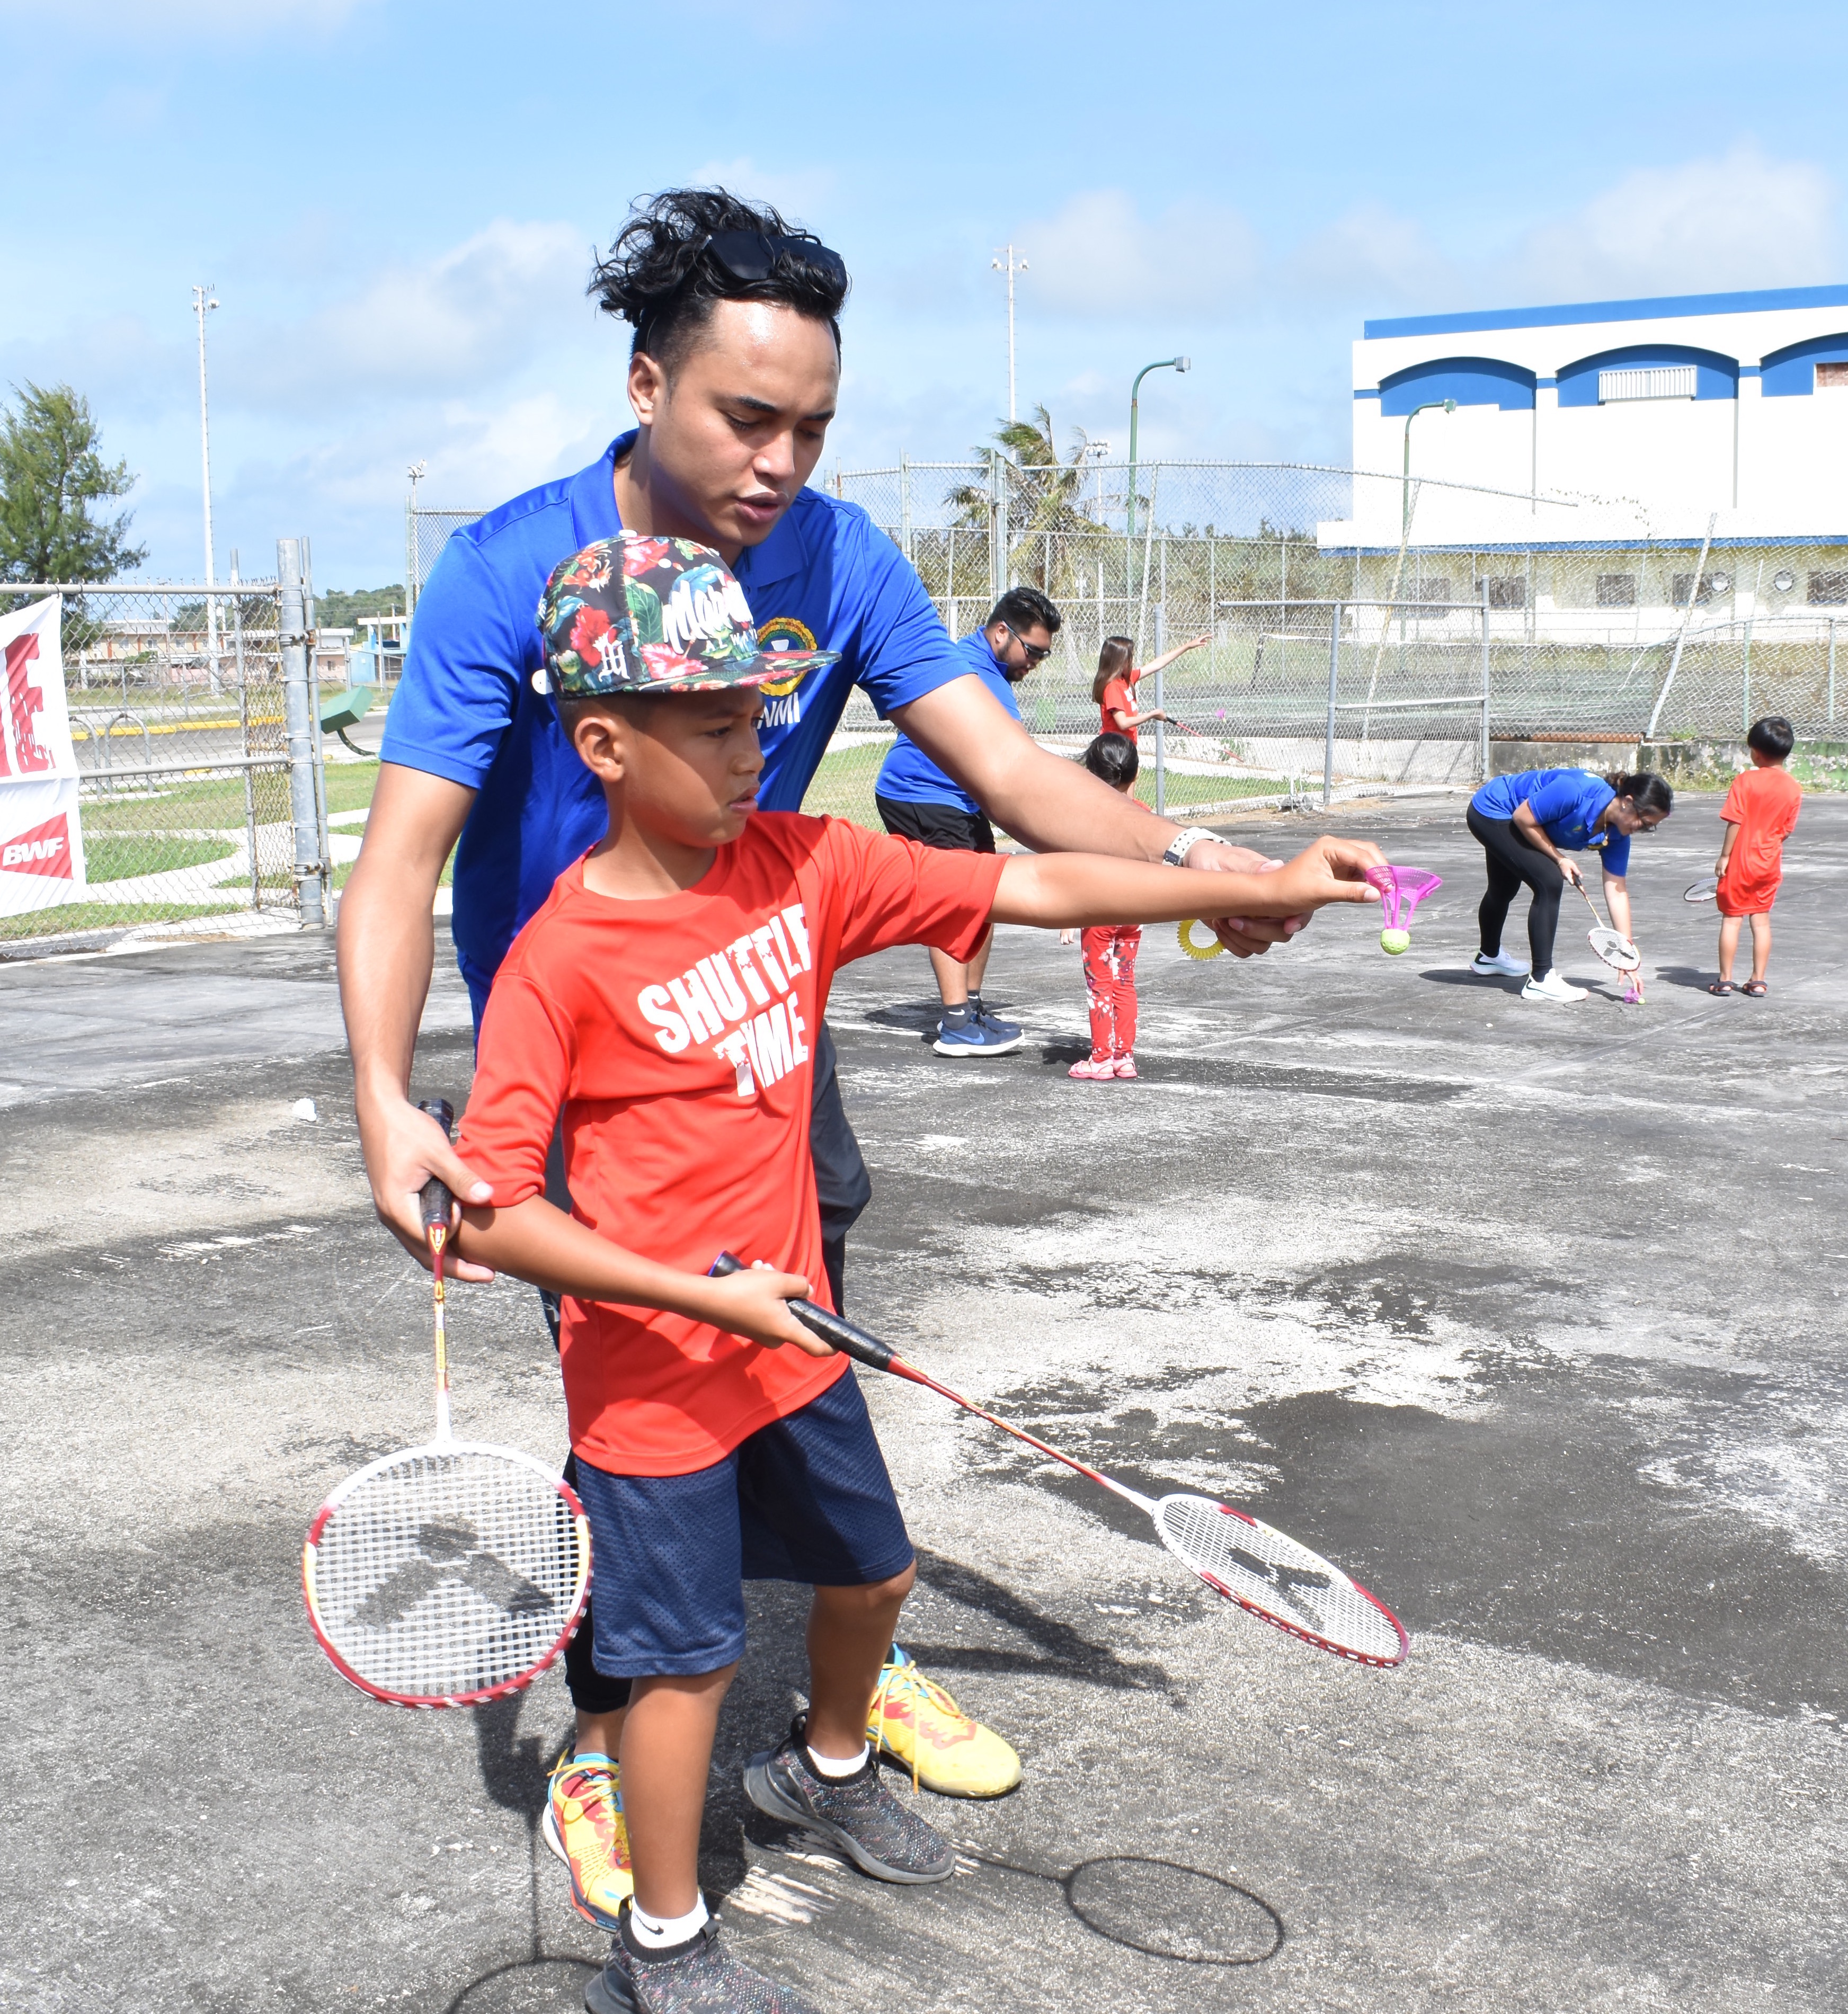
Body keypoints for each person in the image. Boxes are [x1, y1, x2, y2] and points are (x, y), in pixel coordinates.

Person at [334, 185, 1387, 1933]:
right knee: (645, 1403)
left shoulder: (838, 557)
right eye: (745, 417)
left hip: (758, 992)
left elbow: (1019, 799)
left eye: (812, 426)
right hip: (581, 1037)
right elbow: (400, 857)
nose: (778, 461)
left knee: (801, 1324)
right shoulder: (508, 568)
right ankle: (619, 1734)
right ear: (646, 381)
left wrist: (1199, 870)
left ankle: (836, 1666)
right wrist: (385, 1095)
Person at [446, 530, 1381, 2014]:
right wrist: (702, 1296)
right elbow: (492, 1218)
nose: (755, 748)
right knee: (678, 1664)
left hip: (793, 1342)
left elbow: (1031, 888)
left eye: (761, 714)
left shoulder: (802, 864)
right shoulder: (561, 958)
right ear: (605, 741)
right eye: (715, 725)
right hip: (656, 1383)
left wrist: (1242, 875)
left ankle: (821, 1767)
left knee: (872, 1573)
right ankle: (665, 1941)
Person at [873, 586, 1060, 1057]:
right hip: (923, 797)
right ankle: (956, 1024)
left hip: (955, 800)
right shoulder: (978, 674)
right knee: (954, 902)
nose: (1035, 662)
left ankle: (971, 1007)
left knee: (985, 898)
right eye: (1033, 650)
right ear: (1002, 632)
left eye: (1043, 655)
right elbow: (1022, 763)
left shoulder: (973, 659)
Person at [1463, 768, 1673, 1002]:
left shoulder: (1616, 837)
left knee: (1503, 889)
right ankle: (1541, 980)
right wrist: (1560, 859)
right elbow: (1524, 818)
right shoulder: (1574, 791)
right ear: (1628, 802)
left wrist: (1626, 956)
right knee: (1549, 881)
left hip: (1520, 818)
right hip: (1495, 809)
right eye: (1644, 822)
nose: (1642, 829)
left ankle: (1489, 957)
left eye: (1650, 827)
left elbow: (1617, 891)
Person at [1068, 733, 1146, 1082]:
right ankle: (1124, 1057)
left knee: (1100, 983)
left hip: (1099, 914)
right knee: (1124, 981)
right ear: (1136, 774)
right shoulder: (1144, 815)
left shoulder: (1088, 819)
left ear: (1091, 776)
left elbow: (1076, 871)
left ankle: (1100, 1058)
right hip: (1135, 913)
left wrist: (1069, 914)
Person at [1710, 715, 1802, 997]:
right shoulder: (1793, 788)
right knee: (1761, 921)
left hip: (1740, 863)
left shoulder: (1745, 781)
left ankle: (1726, 979)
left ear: (1757, 751)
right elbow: (1786, 830)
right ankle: (1758, 980)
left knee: (1731, 919)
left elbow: (1735, 822)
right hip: (1768, 863)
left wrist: (1725, 856)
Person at [1095, 630, 1210, 745]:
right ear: (1120, 661)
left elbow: (1157, 664)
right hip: (1114, 747)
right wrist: (1152, 715)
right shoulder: (1113, 687)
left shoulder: (1127, 679)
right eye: (1130, 657)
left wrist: (1188, 646)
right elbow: (1123, 723)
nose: (1132, 660)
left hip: (1126, 747)